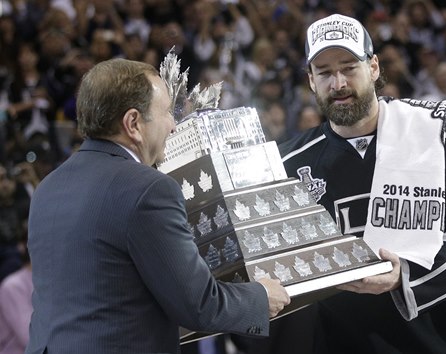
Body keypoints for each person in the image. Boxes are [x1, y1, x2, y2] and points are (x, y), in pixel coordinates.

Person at [26, 58, 290, 354]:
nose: (173, 125)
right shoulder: (148, 188)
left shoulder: (48, 187)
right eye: (165, 112)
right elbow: (198, 305)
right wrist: (261, 297)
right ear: (133, 123)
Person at [278, 13, 446, 353]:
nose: (338, 83)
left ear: (374, 67)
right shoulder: (286, 164)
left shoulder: (440, 132)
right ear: (310, 80)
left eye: (349, 67)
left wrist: (404, 277)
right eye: (324, 72)